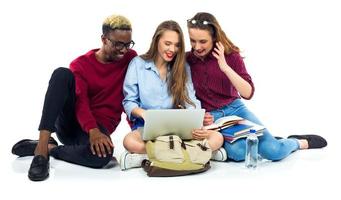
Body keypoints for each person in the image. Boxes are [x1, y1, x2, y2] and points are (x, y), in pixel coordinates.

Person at [185, 12, 327, 162]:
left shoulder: (231, 56)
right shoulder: (187, 59)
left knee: (274, 151)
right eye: (192, 41)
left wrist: (225, 67)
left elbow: (248, 93)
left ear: (214, 38)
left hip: (236, 110)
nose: (197, 47)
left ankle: (297, 142)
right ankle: (226, 146)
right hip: (211, 118)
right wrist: (198, 115)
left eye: (203, 41)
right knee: (240, 153)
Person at [11, 14, 137, 181]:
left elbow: (133, 94)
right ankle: (41, 151)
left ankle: (51, 148)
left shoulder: (130, 58)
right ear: (104, 39)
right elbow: (81, 102)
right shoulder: (81, 64)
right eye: (118, 44)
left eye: (128, 44)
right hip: (72, 123)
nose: (123, 50)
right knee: (62, 74)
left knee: (103, 157)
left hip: (100, 127)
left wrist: (137, 130)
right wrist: (93, 131)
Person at [119, 20, 224, 171]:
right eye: (167, 43)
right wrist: (145, 114)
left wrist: (197, 119)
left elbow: (190, 99)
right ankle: (199, 153)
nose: (172, 49)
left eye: (177, 45)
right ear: (156, 41)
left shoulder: (182, 67)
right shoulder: (138, 64)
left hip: (176, 129)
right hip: (146, 127)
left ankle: (147, 157)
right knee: (129, 141)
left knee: (217, 138)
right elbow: (129, 102)